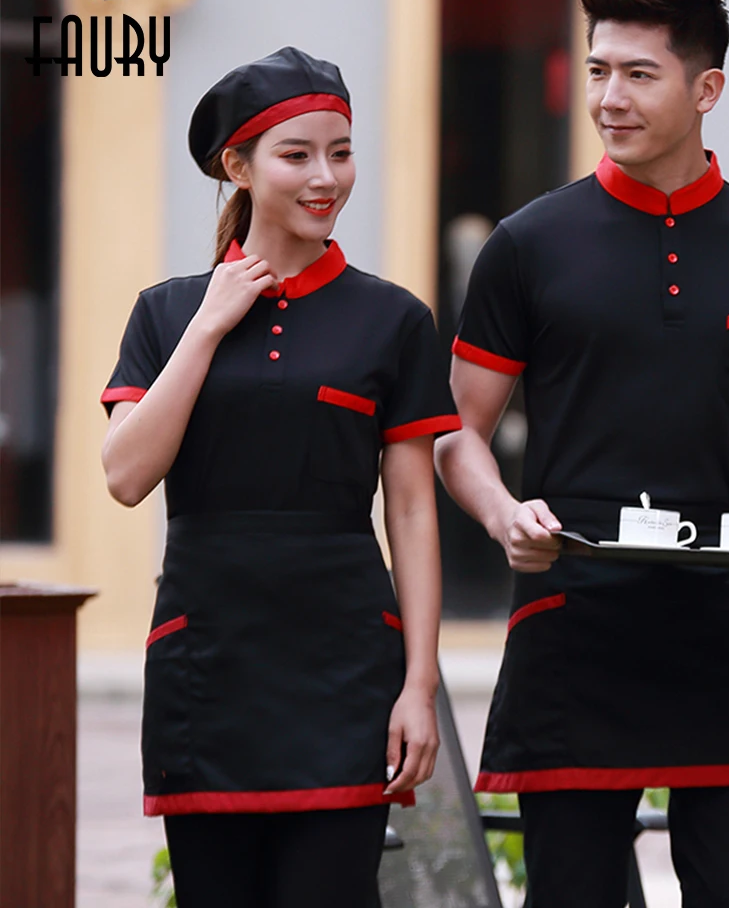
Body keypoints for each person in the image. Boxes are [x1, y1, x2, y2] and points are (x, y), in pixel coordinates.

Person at [434, 0, 729, 908]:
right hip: (573, 618)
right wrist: (504, 515)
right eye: (598, 69)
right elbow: (457, 433)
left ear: (706, 88)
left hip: (722, 626)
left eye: (639, 74)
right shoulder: (528, 245)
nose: (610, 97)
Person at [100, 47, 460, 908]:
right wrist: (208, 325)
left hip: (344, 669)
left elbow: (413, 512)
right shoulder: (166, 311)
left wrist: (418, 685)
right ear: (239, 166)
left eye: (341, 152)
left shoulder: (393, 319)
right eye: (297, 155)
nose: (325, 177)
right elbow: (126, 474)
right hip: (207, 666)